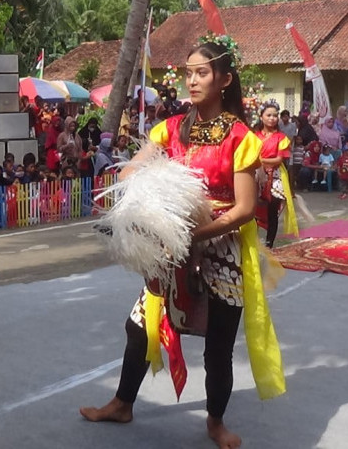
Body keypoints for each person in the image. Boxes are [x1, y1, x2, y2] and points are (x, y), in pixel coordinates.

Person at [79, 37, 285, 448]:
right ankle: (123, 403)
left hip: (221, 245)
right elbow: (134, 168)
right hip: (172, 246)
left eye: (202, 72)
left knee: (218, 346)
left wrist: (193, 233)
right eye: (188, 72)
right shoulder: (170, 128)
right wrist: (134, 183)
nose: (192, 80)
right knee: (138, 327)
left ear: (225, 79)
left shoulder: (243, 137)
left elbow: (244, 209)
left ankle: (215, 422)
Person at [254, 100, 298, 248]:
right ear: (261, 117)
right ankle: (252, 241)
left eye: (275, 115)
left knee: (272, 210)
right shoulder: (254, 137)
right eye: (269, 115)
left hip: (275, 175)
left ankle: (269, 243)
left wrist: (259, 160)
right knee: (252, 209)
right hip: (255, 174)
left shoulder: (281, 138)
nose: (272, 118)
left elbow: (279, 159)